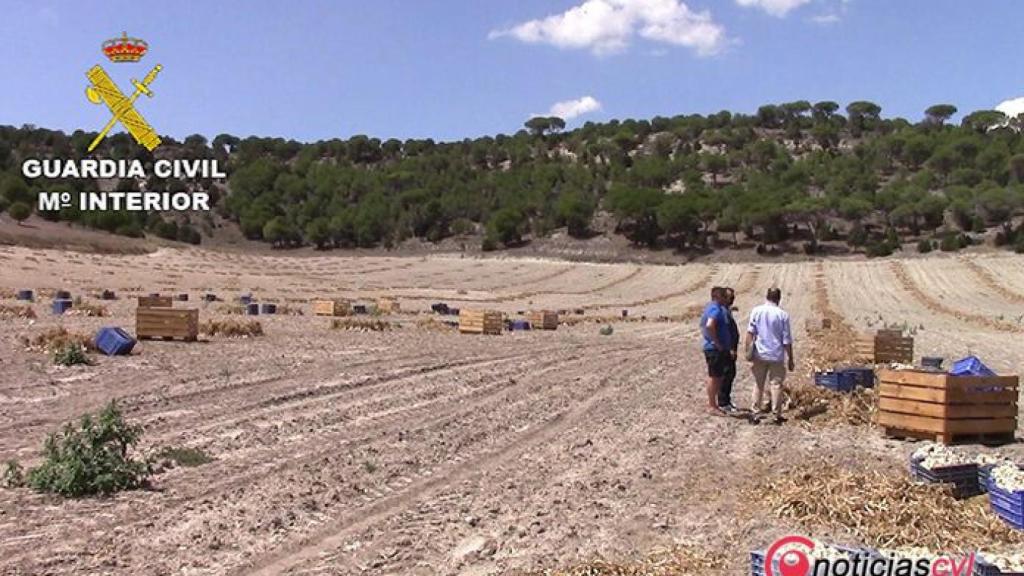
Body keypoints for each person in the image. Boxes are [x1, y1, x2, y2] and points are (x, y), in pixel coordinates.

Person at [745, 287, 794, 425]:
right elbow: (786, 340)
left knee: (758, 384)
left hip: (759, 353)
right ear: (779, 298)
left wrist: (747, 350)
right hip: (776, 355)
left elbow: (750, 333)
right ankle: (776, 414)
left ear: (766, 296)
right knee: (776, 385)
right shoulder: (783, 315)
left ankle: (755, 413)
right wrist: (790, 358)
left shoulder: (756, 311)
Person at [700, 286, 733, 416]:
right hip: (714, 349)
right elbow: (709, 325)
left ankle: (713, 404)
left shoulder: (711, 308)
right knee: (714, 377)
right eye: (724, 296)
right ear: (717, 297)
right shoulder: (715, 309)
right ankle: (712, 405)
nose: (727, 299)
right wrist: (716, 342)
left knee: (717, 376)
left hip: (714, 348)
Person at [718, 287, 740, 413]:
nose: (732, 299)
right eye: (730, 297)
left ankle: (726, 399)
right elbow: (727, 332)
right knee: (727, 374)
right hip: (727, 349)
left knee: (730, 374)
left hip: (729, 348)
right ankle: (723, 401)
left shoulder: (726, 311)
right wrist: (731, 348)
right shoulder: (723, 312)